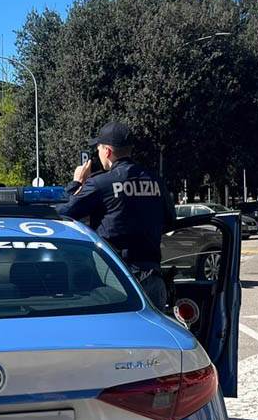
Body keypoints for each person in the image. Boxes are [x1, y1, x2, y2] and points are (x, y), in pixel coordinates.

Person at [57, 121, 176, 309]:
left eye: (98, 149)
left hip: (116, 280)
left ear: (107, 151)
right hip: (153, 279)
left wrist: (76, 183)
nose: (97, 154)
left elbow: (64, 214)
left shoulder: (100, 183)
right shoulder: (155, 181)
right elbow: (170, 220)